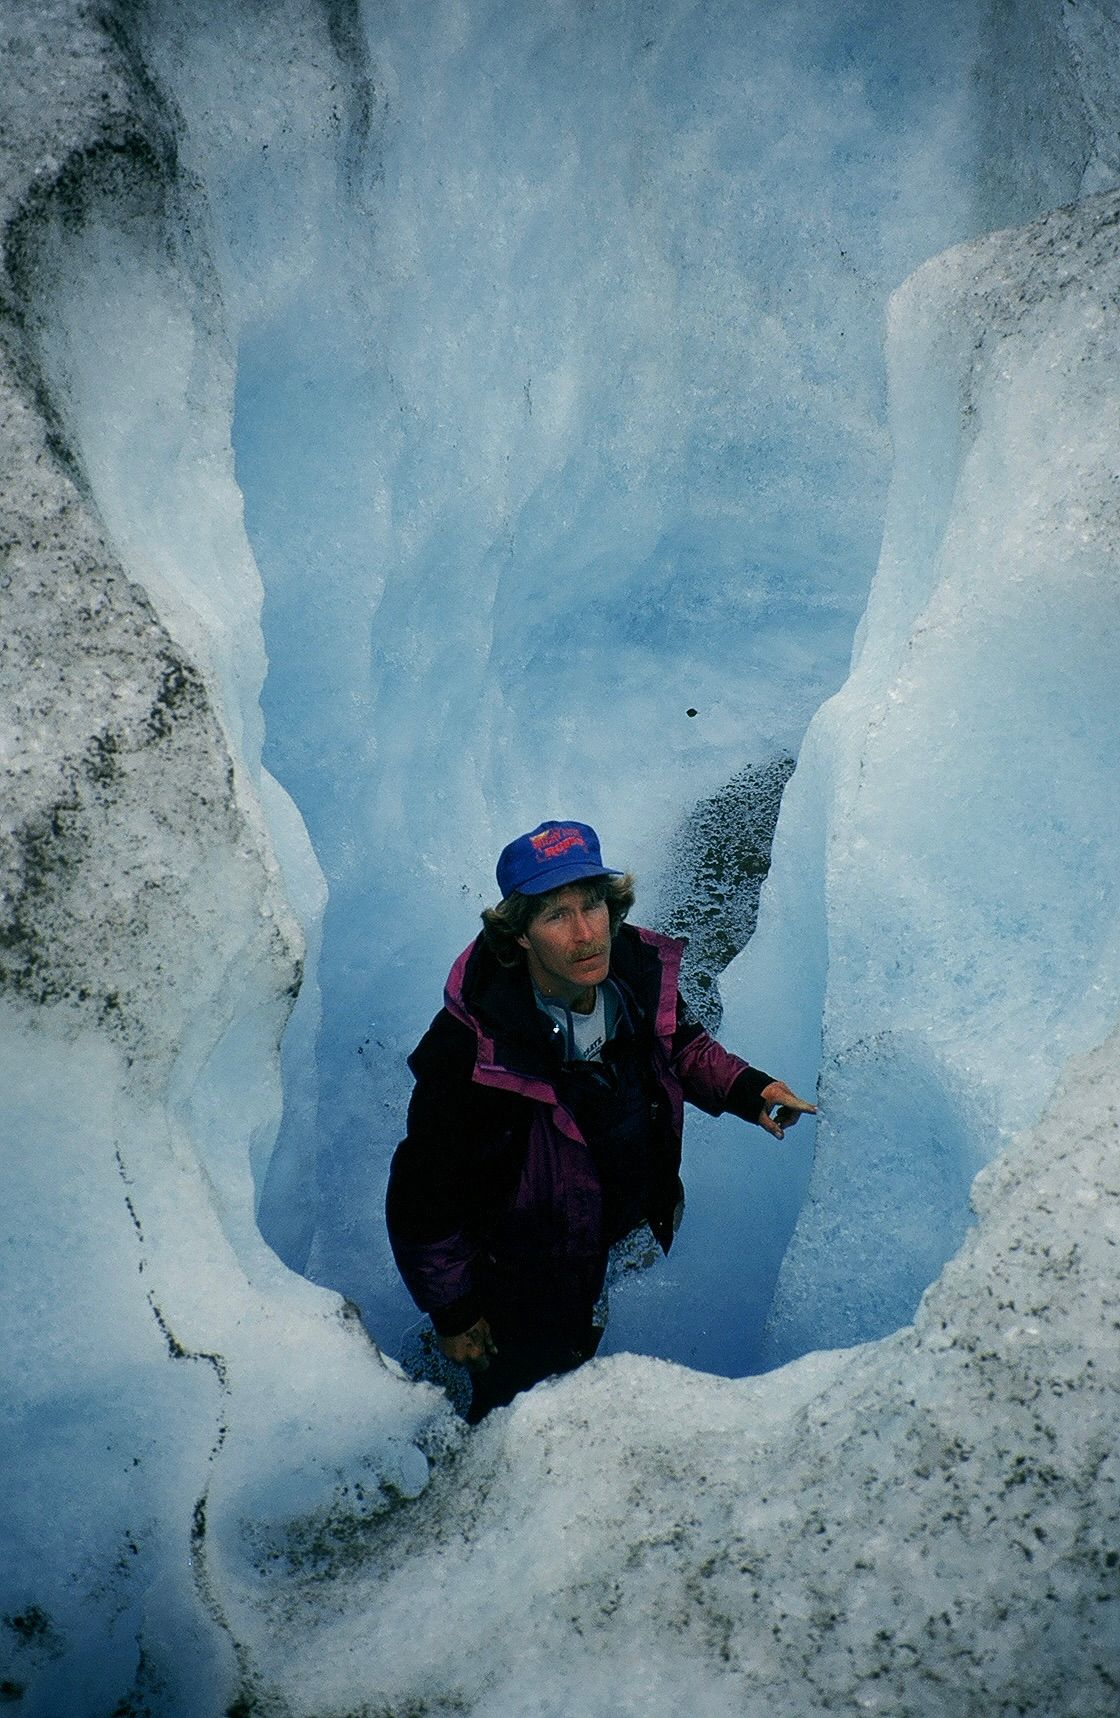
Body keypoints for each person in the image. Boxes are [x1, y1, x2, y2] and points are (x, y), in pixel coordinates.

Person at [386, 819, 814, 1421]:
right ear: (521, 936)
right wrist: (454, 1315)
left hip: (606, 1217)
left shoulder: (633, 975)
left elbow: (680, 1045)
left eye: (593, 905)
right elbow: (423, 1200)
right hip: (524, 1274)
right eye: (557, 916)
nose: (587, 933)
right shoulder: (471, 1053)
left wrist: (749, 1089)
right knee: (523, 1409)